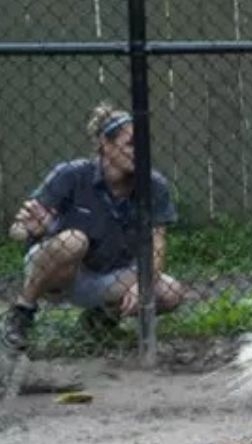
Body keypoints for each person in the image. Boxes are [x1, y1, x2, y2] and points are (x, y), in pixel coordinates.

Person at [2, 102, 184, 352]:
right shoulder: (71, 174)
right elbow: (17, 230)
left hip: (112, 275)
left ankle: (101, 320)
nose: (140, 152)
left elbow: (158, 242)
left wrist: (144, 284)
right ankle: (22, 313)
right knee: (75, 240)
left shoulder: (154, 185)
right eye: (131, 144)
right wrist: (37, 229)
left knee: (170, 291)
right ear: (104, 144)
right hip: (62, 275)